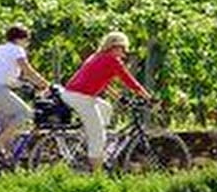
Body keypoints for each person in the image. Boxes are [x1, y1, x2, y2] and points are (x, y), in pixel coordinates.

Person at [59, 31, 153, 172]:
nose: (124, 53)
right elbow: (130, 81)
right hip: (81, 97)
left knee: (106, 108)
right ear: (115, 47)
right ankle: (97, 174)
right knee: (98, 137)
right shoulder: (112, 60)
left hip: (74, 94)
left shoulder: (97, 57)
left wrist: (119, 98)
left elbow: (103, 83)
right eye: (123, 49)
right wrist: (149, 98)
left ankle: (88, 142)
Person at [0, 24, 52, 157]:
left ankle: (4, 156)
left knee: (8, 119)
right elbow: (28, 71)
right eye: (27, 40)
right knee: (25, 113)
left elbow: (2, 74)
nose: (28, 43)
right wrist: (46, 84)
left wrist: (22, 84)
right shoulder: (17, 50)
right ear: (20, 39)